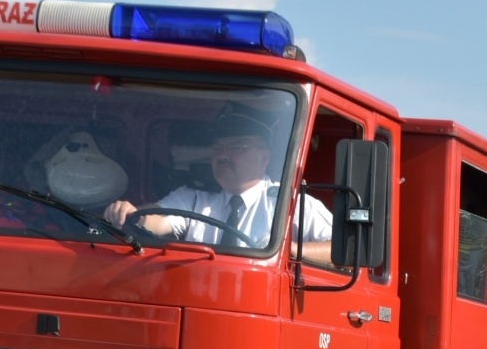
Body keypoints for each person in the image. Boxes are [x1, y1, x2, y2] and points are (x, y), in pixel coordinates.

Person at [103, 108, 333, 261]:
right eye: (218, 148)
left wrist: (291, 251)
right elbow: (158, 220)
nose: (222, 156)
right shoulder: (195, 197)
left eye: (236, 147)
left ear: (264, 157)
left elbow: (341, 251)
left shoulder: (290, 203)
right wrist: (132, 214)